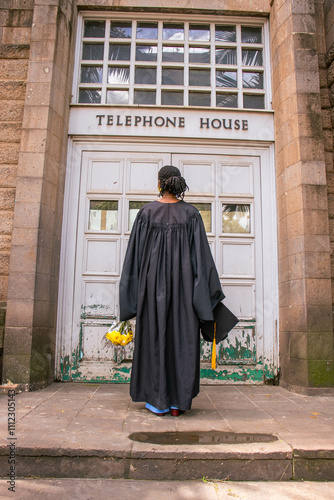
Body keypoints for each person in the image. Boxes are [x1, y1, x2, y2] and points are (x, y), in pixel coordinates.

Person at [119, 165, 225, 416]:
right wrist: (205, 299)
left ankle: (157, 402)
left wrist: (130, 299)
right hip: (184, 291)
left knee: (154, 339)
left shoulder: (146, 213)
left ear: (160, 183)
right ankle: (178, 403)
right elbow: (202, 260)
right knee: (182, 340)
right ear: (178, 185)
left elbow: (133, 259)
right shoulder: (191, 214)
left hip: (151, 289)